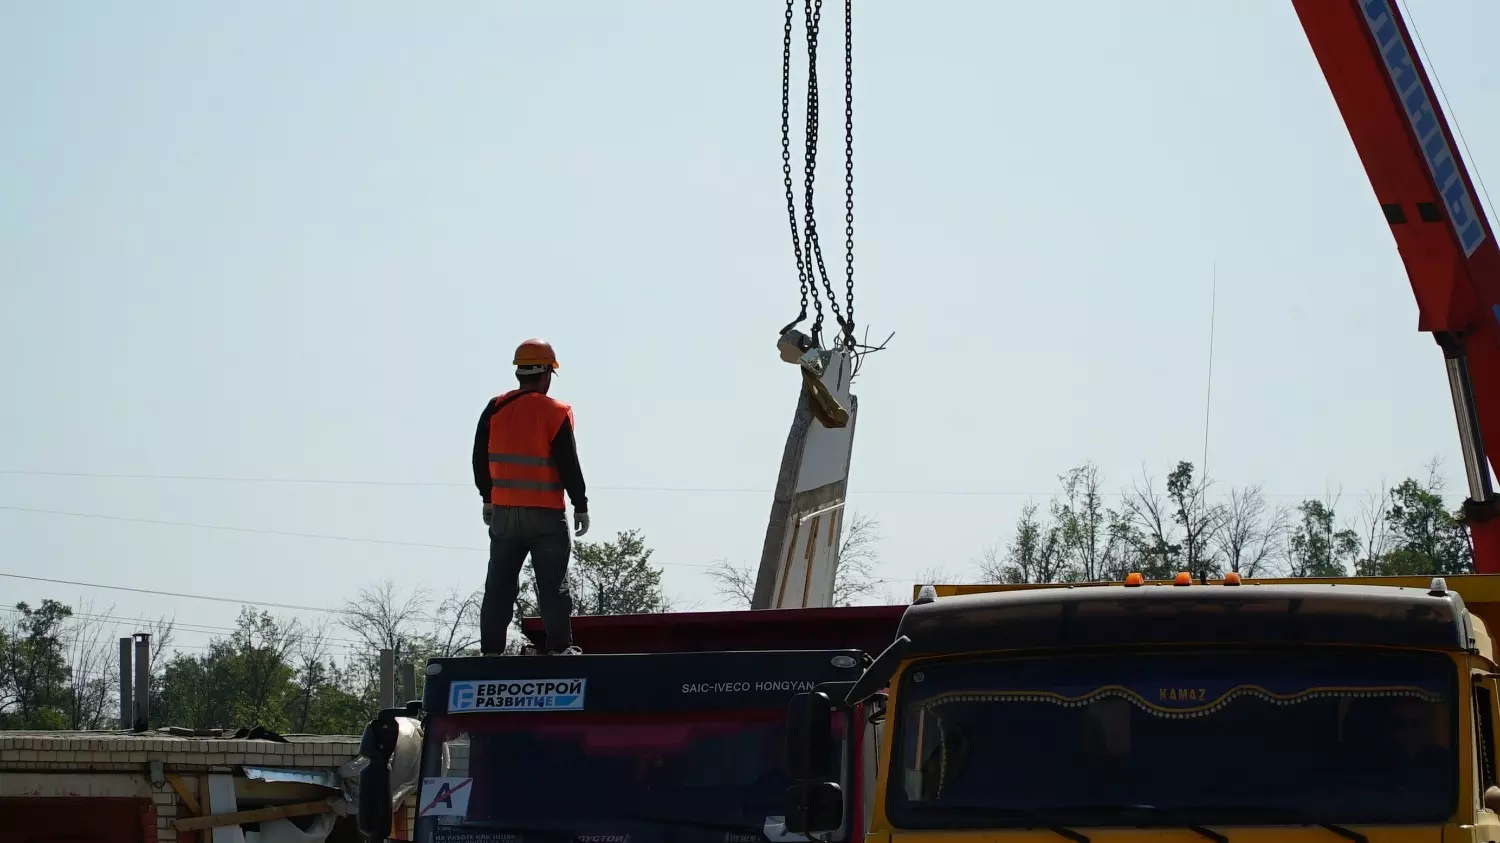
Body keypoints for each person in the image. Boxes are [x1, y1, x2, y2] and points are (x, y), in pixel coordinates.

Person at [473, 338, 590, 655]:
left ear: (519, 373)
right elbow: (568, 464)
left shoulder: (495, 408)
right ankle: (559, 649)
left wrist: (488, 498)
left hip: (504, 515)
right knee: (553, 586)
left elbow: (478, 459)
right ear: (546, 375)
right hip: (546, 516)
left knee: (498, 587)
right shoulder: (555, 412)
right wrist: (581, 505)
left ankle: (491, 653)